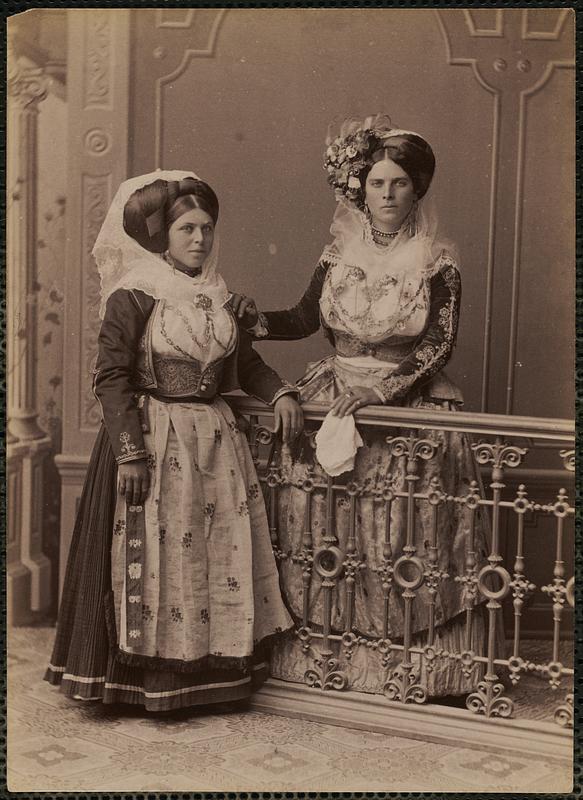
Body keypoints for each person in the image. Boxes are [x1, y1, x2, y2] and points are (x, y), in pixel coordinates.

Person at [235, 116, 493, 697]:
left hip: (406, 404)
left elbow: (438, 345)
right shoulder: (337, 254)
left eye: (399, 183)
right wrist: (256, 321)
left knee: (402, 531)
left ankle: (409, 667)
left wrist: (383, 391)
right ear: (361, 187)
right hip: (335, 394)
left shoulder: (437, 263)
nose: (387, 194)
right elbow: (306, 319)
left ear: (417, 189)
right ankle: (327, 660)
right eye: (377, 183)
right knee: (328, 527)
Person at [45, 170, 303, 712]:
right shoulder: (135, 295)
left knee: (214, 555)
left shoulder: (220, 296)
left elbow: (245, 364)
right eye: (186, 228)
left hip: (215, 442)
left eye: (207, 228)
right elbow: (110, 377)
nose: (199, 240)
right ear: (162, 234)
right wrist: (130, 453)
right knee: (159, 557)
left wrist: (280, 393)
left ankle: (214, 676)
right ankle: (147, 685)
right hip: (153, 437)